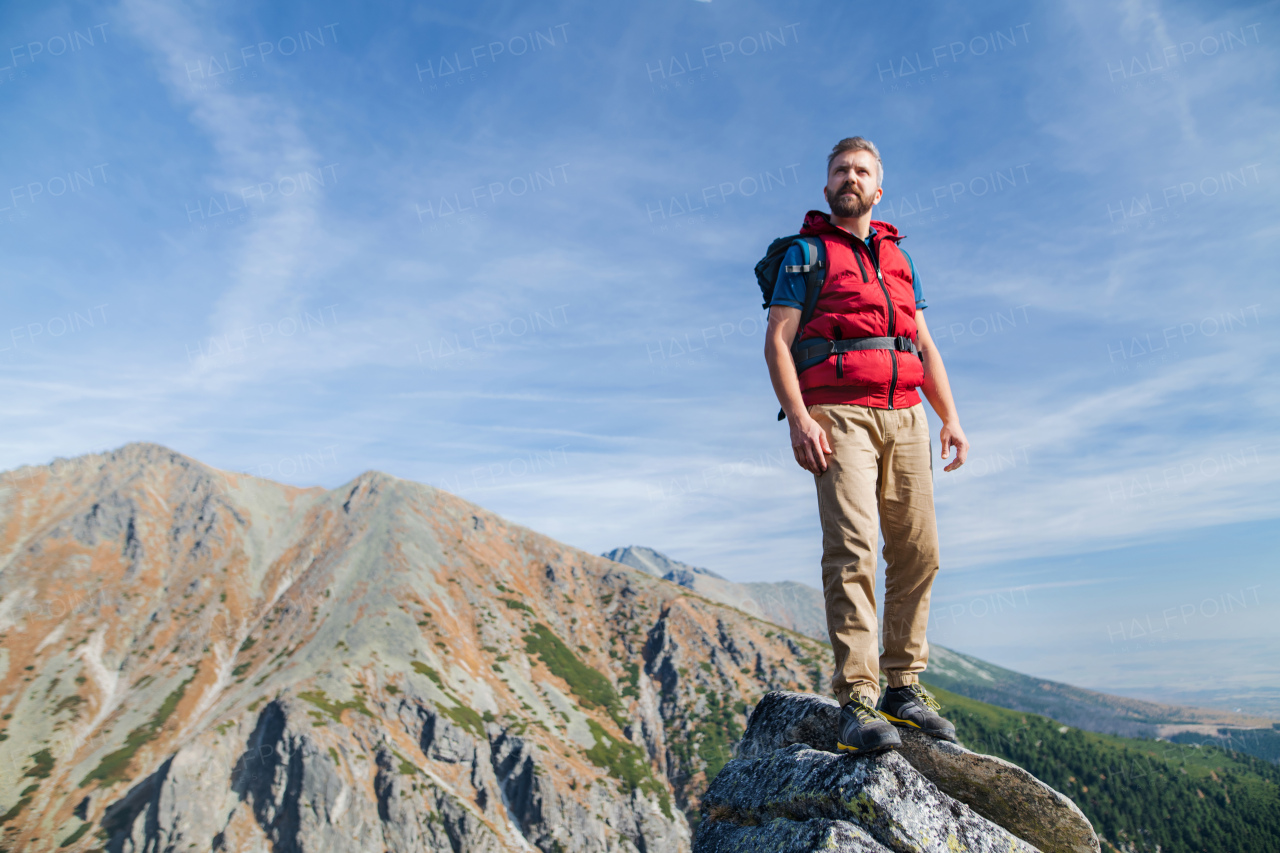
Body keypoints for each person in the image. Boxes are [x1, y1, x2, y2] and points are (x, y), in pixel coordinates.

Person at [763, 137, 970, 753]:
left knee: (920, 550)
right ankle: (858, 695)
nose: (849, 177)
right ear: (826, 186)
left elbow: (924, 346)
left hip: (906, 416)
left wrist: (950, 418)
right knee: (852, 547)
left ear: (878, 190)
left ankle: (904, 686)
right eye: (838, 170)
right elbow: (778, 340)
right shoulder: (805, 254)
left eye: (860, 171)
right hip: (837, 414)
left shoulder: (900, 259)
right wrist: (800, 418)